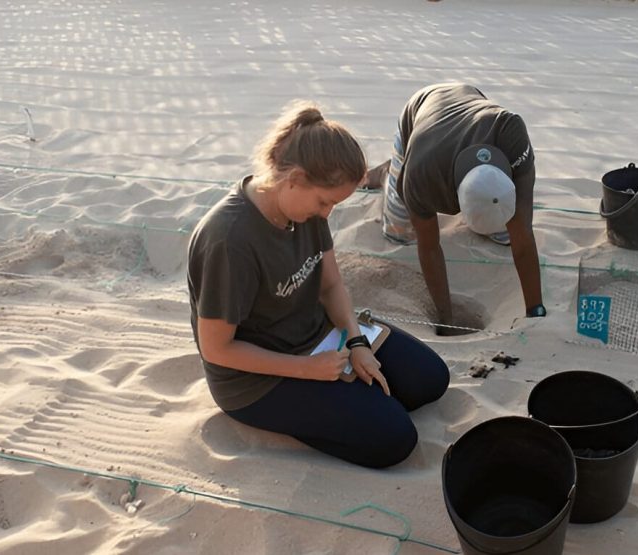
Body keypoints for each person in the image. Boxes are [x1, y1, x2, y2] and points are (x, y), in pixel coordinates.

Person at [187, 102, 450, 468]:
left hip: (319, 335)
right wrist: (307, 370)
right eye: (325, 202)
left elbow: (330, 286)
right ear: (293, 178)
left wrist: (357, 341)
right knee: (396, 440)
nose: (326, 214)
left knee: (430, 380)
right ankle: (326, 410)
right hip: (254, 381)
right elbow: (217, 349)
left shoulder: (301, 208)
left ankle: (346, 399)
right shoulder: (229, 240)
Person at [363, 83, 547, 335]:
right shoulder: (422, 177)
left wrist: (535, 311)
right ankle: (389, 172)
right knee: (400, 232)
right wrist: (446, 319)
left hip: (467, 100)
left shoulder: (511, 132)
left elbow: (523, 236)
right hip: (421, 115)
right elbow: (428, 248)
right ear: (454, 200)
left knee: (507, 237)